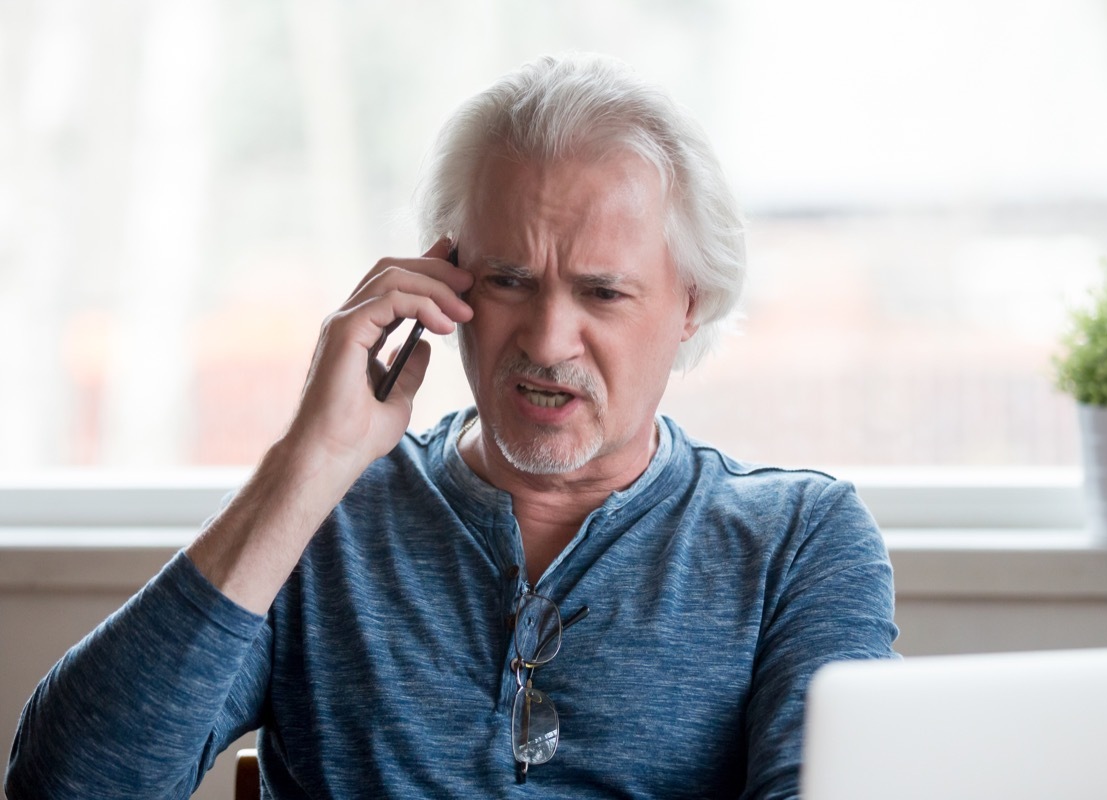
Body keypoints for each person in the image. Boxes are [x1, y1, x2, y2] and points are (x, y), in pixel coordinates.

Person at [5, 53, 898, 799]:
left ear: (691, 305)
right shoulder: (325, 517)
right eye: (508, 279)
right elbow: (66, 785)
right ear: (444, 280)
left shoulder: (798, 540)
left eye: (602, 292)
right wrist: (310, 460)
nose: (548, 341)